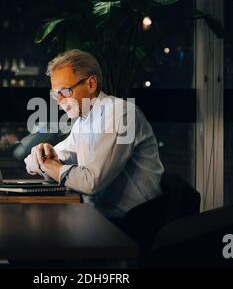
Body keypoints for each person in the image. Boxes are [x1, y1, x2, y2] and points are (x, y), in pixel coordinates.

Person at [24, 49, 164, 218]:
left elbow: (91, 182)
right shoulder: (83, 121)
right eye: (56, 94)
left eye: (66, 92)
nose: (60, 101)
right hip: (101, 217)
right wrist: (42, 155)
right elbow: (36, 162)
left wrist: (50, 165)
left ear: (91, 84)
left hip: (134, 222)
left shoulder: (121, 113)